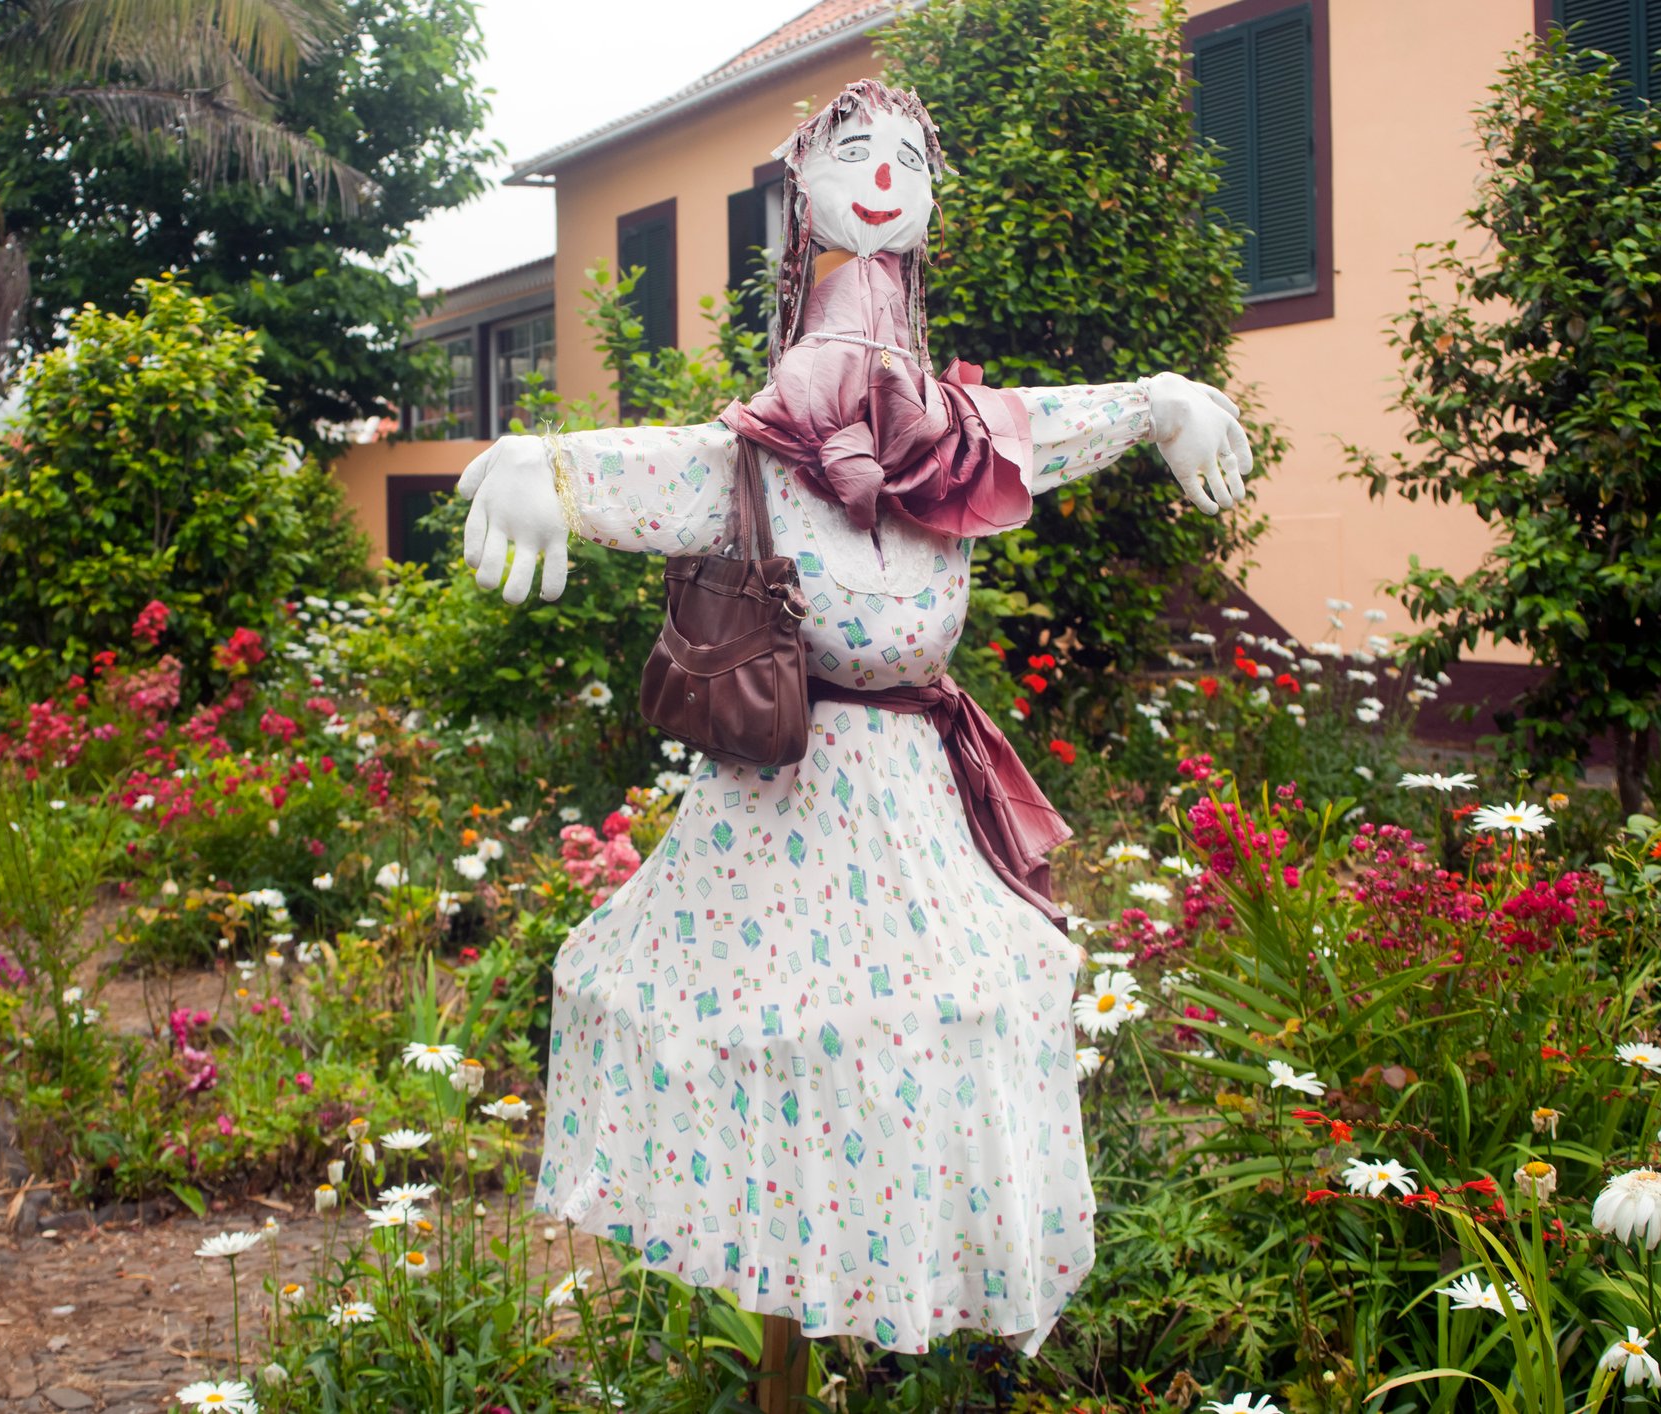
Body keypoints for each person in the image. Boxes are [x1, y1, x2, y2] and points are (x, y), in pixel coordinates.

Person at [456, 79, 1251, 1365]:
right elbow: (662, 466)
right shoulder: (756, 457)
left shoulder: (959, 444)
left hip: (915, 816)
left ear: (928, 202)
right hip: (786, 808)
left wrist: (1160, 398)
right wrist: (534, 462)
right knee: (785, 1039)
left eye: (904, 161)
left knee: (923, 1037)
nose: (880, 177)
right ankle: (779, 1329)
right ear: (807, 197)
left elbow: (1051, 424)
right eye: (853, 154)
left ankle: (855, 1314)